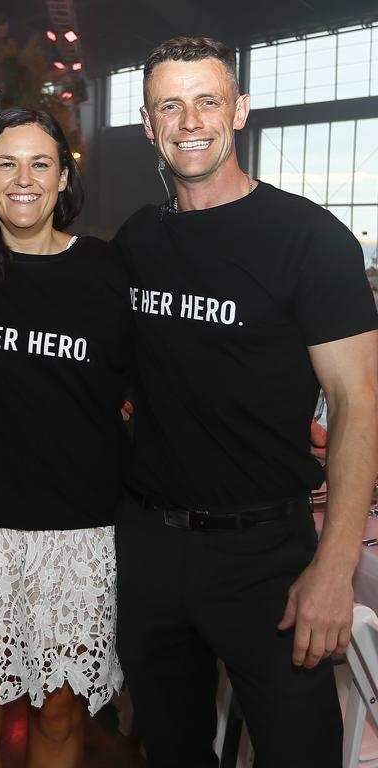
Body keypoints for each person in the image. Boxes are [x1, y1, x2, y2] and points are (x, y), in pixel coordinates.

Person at [111, 36, 378, 767]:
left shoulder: (309, 240)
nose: (189, 119)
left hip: (265, 558)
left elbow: (358, 402)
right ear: (147, 121)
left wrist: (334, 566)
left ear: (242, 110)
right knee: (170, 749)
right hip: (151, 547)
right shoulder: (138, 239)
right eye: (170, 103)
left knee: (300, 751)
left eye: (208, 100)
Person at [0, 107, 131, 768]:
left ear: (64, 176)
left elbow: (144, 389)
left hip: (76, 536)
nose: (23, 178)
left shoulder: (106, 273)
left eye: (41, 163)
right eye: (6, 163)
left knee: (58, 715)